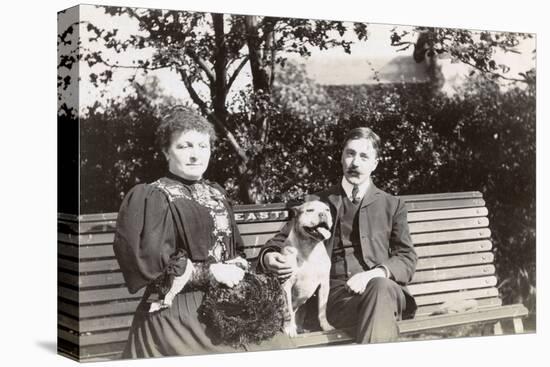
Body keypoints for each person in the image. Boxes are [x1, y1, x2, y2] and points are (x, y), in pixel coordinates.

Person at [113, 107, 293, 358]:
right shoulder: (153, 196)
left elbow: (234, 250)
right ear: (166, 151)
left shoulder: (216, 193)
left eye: (202, 146)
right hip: (179, 307)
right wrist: (211, 272)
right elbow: (151, 263)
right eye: (185, 146)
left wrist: (239, 264)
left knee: (279, 347)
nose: (196, 155)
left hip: (228, 300)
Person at [258, 127, 417, 343]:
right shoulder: (318, 203)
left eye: (364, 156)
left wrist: (374, 274)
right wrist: (269, 256)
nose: (355, 162)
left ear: (375, 163)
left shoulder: (392, 205)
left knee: (380, 289)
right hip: (336, 300)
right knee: (377, 316)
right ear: (341, 157)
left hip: (385, 290)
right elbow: (280, 240)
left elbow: (406, 258)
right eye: (350, 153)